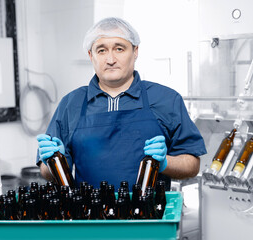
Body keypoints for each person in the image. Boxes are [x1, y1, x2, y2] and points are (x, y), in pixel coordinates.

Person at [36, 17, 206, 190]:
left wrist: (164, 163)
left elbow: (192, 165)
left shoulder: (166, 99)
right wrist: (50, 160)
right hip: (90, 213)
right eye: (101, 50)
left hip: (150, 213)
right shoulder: (70, 104)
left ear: (135, 51)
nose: (111, 59)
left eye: (119, 49)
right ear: (90, 55)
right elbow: (46, 172)